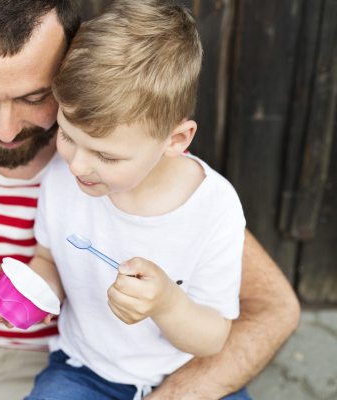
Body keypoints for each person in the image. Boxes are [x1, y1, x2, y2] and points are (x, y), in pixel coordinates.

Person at [0, 1, 300, 399]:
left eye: (34, 97)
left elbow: (273, 308)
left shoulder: (129, 160)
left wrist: (178, 391)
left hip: (64, 366)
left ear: (72, 54)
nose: (6, 129)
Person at [15, 1, 243, 398]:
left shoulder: (215, 207)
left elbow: (213, 339)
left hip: (182, 377)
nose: (76, 167)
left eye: (107, 155)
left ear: (176, 140)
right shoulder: (60, 175)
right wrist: (33, 290)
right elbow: (49, 257)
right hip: (82, 371)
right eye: (67, 135)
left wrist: (168, 304)